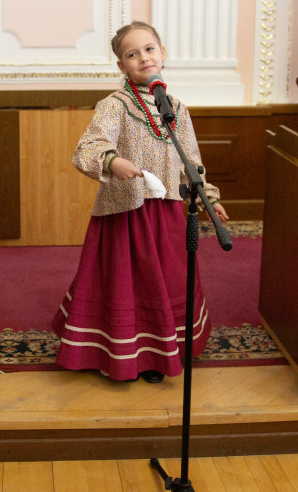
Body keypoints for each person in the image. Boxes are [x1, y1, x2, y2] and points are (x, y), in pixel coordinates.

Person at [52, 22, 227, 383]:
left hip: (167, 213)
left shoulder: (176, 107)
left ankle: (163, 350)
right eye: (132, 54)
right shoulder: (114, 105)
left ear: (163, 54)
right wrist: (114, 162)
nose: (143, 58)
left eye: (149, 49)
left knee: (168, 279)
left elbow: (191, 160)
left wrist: (208, 197)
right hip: (126, 212)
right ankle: (124, 354)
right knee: (129, 283)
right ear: (121, 66)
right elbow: (88, 148)